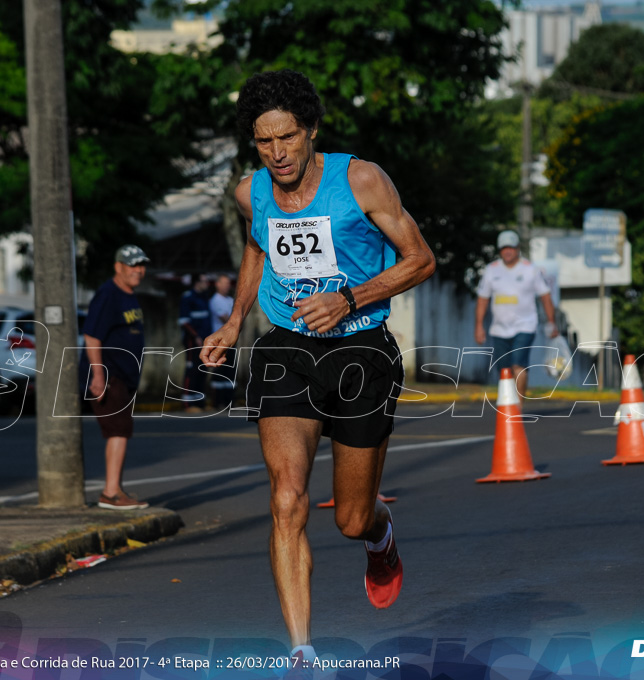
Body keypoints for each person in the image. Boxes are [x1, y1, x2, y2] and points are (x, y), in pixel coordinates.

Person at [200, 69, 436, 657]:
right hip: (286, 350)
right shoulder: (249, 192)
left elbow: (421, 259)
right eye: (264, 141)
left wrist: (350, 297)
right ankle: (301, 653)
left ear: (310, 131)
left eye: (287, 138)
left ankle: (379, 536)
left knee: (350, 519)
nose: (277, 153)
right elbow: (258, 248)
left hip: (362, 350)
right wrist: (234, 322)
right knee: (287, 497)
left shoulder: (361, 181)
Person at [80, 245, 150, 510]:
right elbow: (92, 335)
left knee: (121, 431)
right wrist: (97, 374)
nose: (138, 270)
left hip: (124, 375)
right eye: (132, 265)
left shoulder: (129, 295)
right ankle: (110, 494)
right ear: (118, 267)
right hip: (109, 375)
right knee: (118, 431)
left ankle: (115, 489)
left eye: (141, 265)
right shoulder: (108, 295)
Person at [474, 230, 558, 396]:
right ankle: (509, 404)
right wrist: (479, 326)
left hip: (525, 325)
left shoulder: (530, 269)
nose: (507, 251)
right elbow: (483, 299)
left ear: (517, 248)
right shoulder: (491, 270)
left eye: (511, 247)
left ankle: (517, 408)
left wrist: (551, 321)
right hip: (499, 329)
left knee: (518, 365)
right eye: (504, 248)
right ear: (499, 251)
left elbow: (546, 296)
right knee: (505, 371)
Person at [178, 275, 212, 411]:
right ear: (197, 283)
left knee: (202, 370)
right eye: (204, 281)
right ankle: (188, 403)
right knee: (192, 369)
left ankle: (199, 402)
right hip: (193, 341)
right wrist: (195, 336)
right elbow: (184, 321)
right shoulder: (188, 297)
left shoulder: (204, 297)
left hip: (204, 339)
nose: (207, 284)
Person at [207, 275, 236, 409]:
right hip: (219, 341)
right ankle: (217, 402)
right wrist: (235, 324)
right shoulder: (215, 300)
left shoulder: (231, 300)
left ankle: (229, 401)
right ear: (217, 284)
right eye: (224, 283)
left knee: (230, 372)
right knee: (219, 372)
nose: (227, 286)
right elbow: (227, 319)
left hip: (232, 340)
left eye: (228, 283)